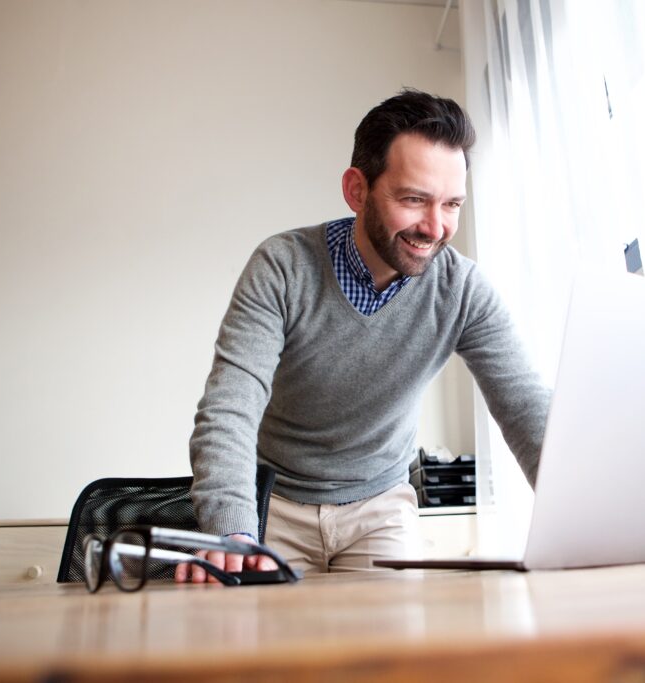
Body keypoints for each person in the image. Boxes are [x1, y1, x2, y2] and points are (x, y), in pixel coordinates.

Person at [175, 88, 551, 581]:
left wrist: (588, 519)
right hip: (275, 504)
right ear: (357, 190)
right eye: (414, 199)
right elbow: (231, 405)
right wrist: (233, 528)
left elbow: (526, 407)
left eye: (452, 204)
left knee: (390, 653)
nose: (435, 227)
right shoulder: (283, 267)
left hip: (380, 507)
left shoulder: (463, 291)